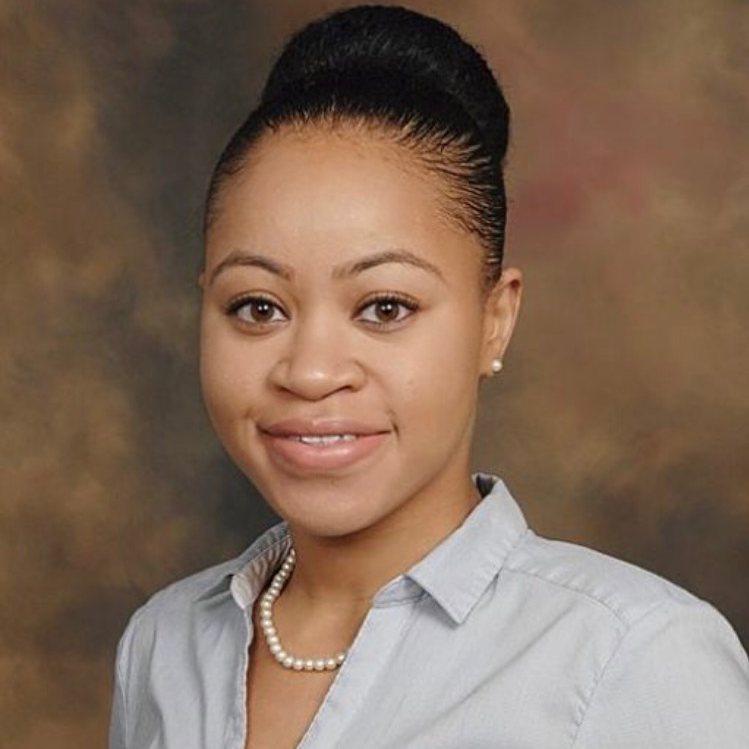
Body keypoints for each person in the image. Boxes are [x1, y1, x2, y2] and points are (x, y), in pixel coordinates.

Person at [108, 5, 749, 748]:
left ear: (494, 320)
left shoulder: (632, 657)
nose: (310, 372)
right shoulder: (163, 642)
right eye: (257, 306)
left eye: (385, 307)